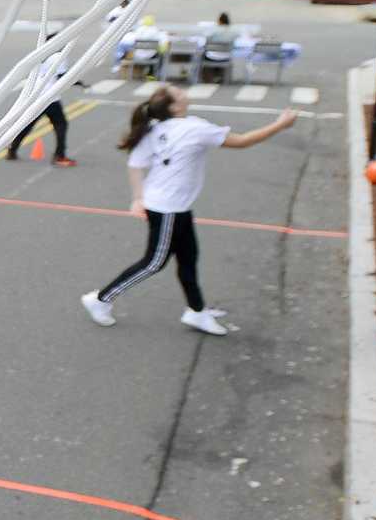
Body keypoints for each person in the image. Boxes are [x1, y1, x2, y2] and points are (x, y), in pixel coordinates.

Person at [79, 84, 296, 335]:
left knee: (188, 258)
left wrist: (138, 198)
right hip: (168, 208)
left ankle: (196, 311)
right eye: (178, 93)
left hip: (173, 206)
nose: (183, 91)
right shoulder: (195, 129)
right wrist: (281, 124)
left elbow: (135, 163)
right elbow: (243, 141)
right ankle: (100, 300)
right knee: (154, 263)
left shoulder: (160, 129)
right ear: (174, 106)